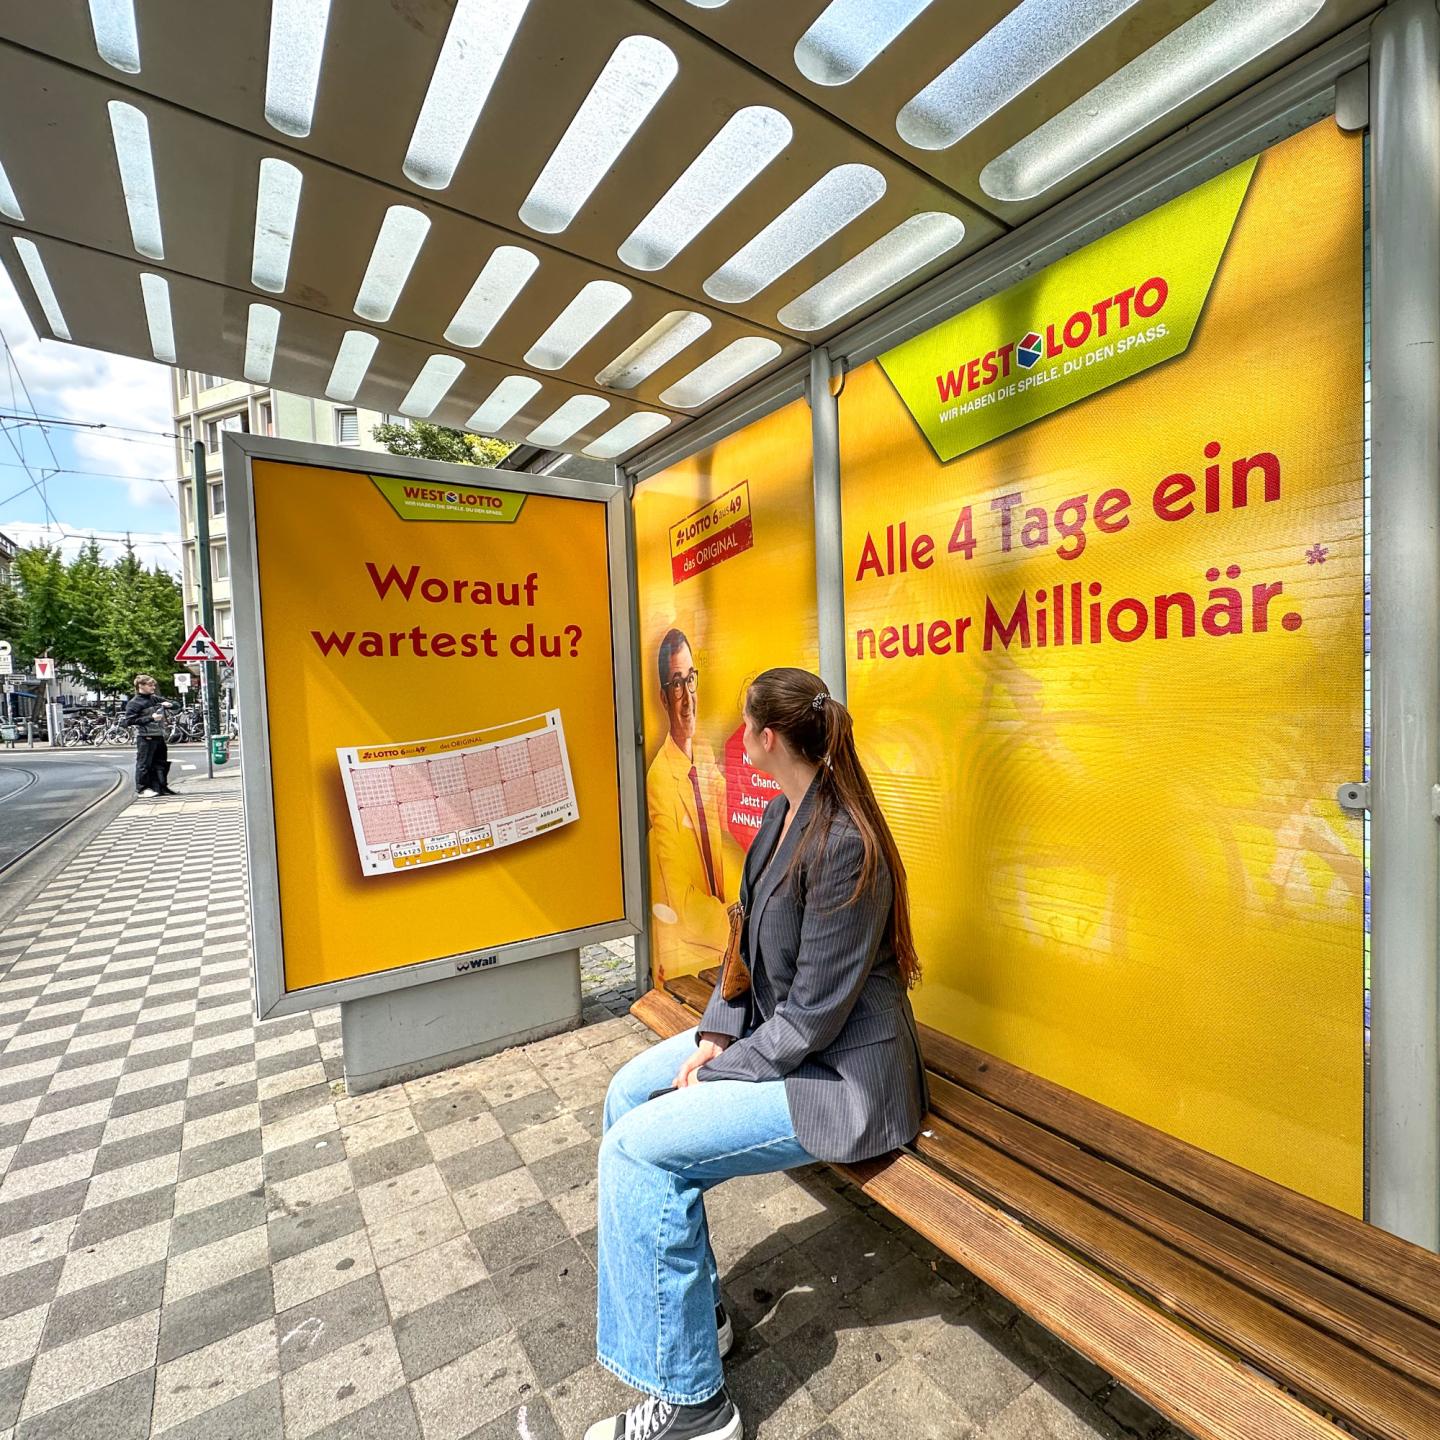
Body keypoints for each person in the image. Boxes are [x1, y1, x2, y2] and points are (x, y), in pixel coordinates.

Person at [588, 667, 929, 1440]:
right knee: (624, 1097)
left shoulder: (845, 842)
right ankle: (692, 1327)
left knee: (640, 1152)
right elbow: (744, 947)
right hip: (782, 1041)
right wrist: (713, 1031)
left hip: (845, 1079)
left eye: (743, 726)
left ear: (766, 739)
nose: (737, 738)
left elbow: (812, 1018)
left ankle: (696, 1410)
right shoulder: (781, 816)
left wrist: (716, 1068)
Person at [645, 629, 731, 974]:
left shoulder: (706, 755)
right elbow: (680, 897)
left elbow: (727, 841)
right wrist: (740, 928)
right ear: (664, 698)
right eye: (676, 683)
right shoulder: (660, 778)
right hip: (693, 951)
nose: (687, 698)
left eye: (689, 679)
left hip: (725, 945)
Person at [123, 674, 176, 797]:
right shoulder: (134, 703)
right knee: (144, 763)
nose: (153, 687)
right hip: (145, 736)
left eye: (153, 684)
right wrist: (150, 718)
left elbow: (176, 705)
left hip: (159, 735)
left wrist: (171, 705)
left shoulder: (154, 698)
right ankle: (142, 789)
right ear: (140, 686)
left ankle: (160, 786)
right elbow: (129, 721)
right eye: (150, 685)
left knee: (161, 762)